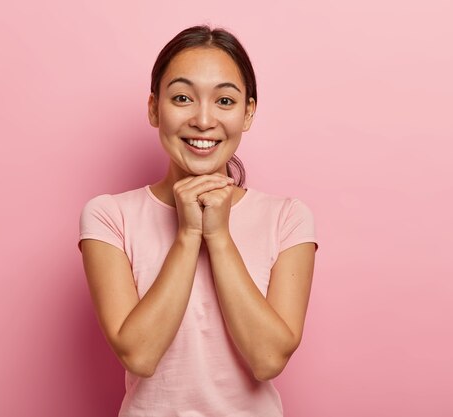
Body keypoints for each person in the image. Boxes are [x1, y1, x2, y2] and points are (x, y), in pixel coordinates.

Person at [79, 25, 318, 417]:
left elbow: (268, 359)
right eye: (183, 98)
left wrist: (219, 235)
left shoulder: (288, 217)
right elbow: (139, 355)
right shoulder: (109, 217)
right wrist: (189, 233)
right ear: (155, 108)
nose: (203, 120)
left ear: (248, 114)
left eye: (224, 100)